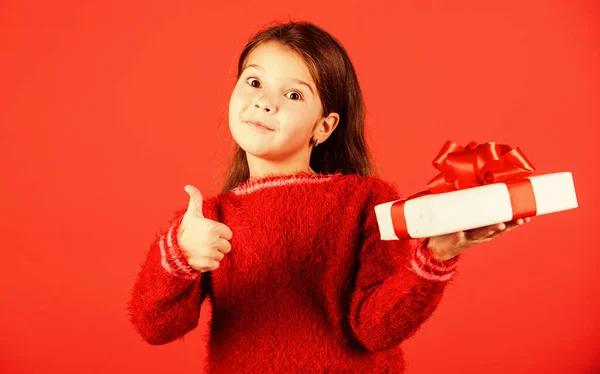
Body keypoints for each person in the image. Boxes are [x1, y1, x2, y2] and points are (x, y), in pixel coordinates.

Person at [126, 21, 529, 373]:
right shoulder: (207, 221)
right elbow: (155, 326)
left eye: (294, 95)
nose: (264, 102)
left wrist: (436, 254)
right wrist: (178, 255)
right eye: (254, 82)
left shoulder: (364, 202)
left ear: (324, 126)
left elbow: (376, 330)